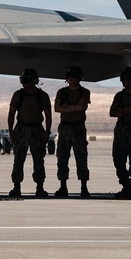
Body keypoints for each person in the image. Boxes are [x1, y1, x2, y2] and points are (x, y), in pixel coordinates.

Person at [7, 68, 52, 197]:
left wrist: (47, 132)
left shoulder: (42, 96)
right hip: (21, 129)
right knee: (18, 159)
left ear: (34, 81)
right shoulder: (18, 95)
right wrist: (11, 132)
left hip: (37, 130)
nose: (23, 84)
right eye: (22, 81)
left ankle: (40, 186)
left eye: (26, 81)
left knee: (38, 159)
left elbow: (48, 115)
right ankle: (16, 186)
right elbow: (11, 114)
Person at [54, 65, 92, 197]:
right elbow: (57, 108)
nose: (71, 78)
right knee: (62, 157)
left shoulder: (85, 92)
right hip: (65, 127)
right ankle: (63, 186)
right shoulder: (61, 92)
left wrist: (67, 107)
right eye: (69, 75)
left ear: (80, 77)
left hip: (78, 127)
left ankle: (84, 187)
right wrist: (74, 108)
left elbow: (81, 107)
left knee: (81, 157)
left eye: (74, 76)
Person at [109, 67, 131, 196]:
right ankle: (126, 185)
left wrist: (121, 110)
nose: (123, 81)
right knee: (118, 159)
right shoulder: (119, 95)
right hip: (120, 128)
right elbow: (112, 112)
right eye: (122, 79)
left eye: (126, 79)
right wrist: (124, 111)